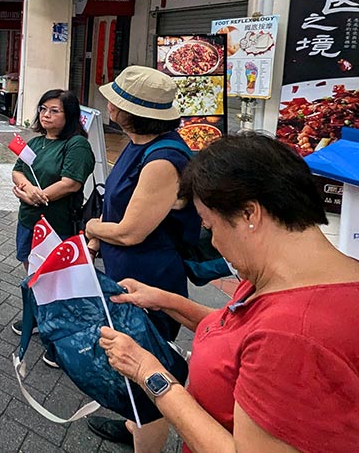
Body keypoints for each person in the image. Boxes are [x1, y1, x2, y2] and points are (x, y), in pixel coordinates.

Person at [99, 133, 359, 452]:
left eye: (211, 227)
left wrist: (149, 373)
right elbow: (237, 333)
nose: (215, 244)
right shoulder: (287, 276)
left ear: (250, 214)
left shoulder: (293, 337)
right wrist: (163, 299)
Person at [84, 66, 200, 449]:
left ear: (130, 112)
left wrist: (92, 230)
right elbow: (119, 206)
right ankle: (134, 427)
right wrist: (101, 240)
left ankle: (146, 434)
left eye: (115, 100)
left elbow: (133, 230)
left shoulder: (164, 159)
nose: (108, 104)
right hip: (125, 268)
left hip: (151, 277)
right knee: (126, 359)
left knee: (147, 368)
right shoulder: (138, 142)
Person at [11, 88, 95, 343]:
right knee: (32, 268)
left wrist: (39, 195)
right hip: (29, 219)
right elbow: (18, 171)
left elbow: (71, 183)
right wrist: (27, 190)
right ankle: (38, 316)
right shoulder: (36, 142)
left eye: (54, 111)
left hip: (57, 224)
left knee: (57, 277)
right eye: (43, 109)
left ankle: (61, 332)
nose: (46, 115)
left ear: (69, 115)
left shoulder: (76, 145)